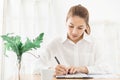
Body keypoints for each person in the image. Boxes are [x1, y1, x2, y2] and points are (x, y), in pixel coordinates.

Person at [32, 4, 113, 75]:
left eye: (80, 28)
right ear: (66, 23)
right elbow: (35, 67)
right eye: (71, 26)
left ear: (86, 27)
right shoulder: (55, 43)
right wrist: (52, 70)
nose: (74, 32)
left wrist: (83, 69)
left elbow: (107, 68)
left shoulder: (94, 43)